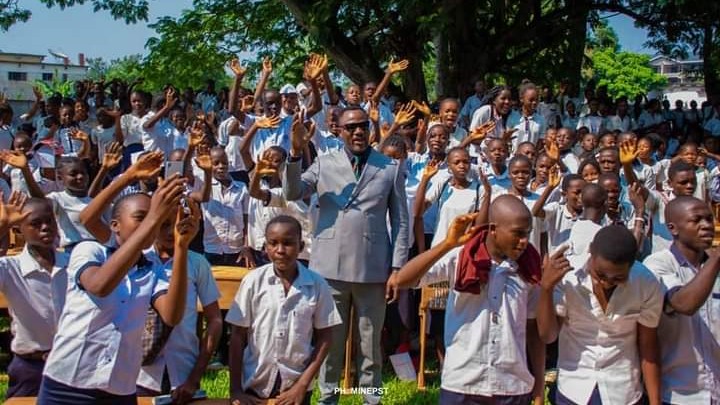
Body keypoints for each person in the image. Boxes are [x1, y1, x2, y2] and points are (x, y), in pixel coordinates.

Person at [284, 107, 409, 404]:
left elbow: (401, 221)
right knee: (330, 344)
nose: (357, 132)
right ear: (339, 131)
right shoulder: (323, 163)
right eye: (350, 127)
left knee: (370, 345)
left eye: (362, 126)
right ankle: (328, 398)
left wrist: (397, 268)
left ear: (370, 129)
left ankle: (372, 399)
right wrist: (295, 153)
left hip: (373, 268)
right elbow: (292, 192)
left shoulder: (388, 167)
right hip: (329, 268)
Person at [37, 176, 196, 404]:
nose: (150, 225)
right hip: (69, 382)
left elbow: (172, 315)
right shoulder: (90, 250)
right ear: (115, 225)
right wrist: (153, 217)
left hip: (119, 386)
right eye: (140, 218)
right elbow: (100, 286)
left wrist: (181, 246)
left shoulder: (151, 269)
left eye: (156, 221)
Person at [387, 197, 545, 405]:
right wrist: (447, 244)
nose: (525, 241)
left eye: (527, 233)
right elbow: (404, 280)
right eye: (518, 233)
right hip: (463, 382)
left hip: (512, 385)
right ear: (493, 229)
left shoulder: (528, 271)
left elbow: (533, 331)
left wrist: (539, 387)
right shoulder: (461, 258)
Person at [537, 225, 663, 405]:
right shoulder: (567, 278)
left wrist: (655, 401)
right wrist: (546, 288)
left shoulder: (647, 284)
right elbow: (547, 335)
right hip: (574, 389)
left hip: (623, 392)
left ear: (632, 265)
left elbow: (648, 345)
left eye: (618, 278)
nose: (606, 283)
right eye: (600, 274)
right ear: (590, 252)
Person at [227, 215, 341, 405]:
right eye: (273, 243)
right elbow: (237, 335)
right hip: (254, 384)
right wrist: (235, 389)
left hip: (296, 387)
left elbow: (325, 337)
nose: (280, 250)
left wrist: (302, 385)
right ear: (265, 247)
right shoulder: (253, 282)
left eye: (288, 243)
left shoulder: (317, 285)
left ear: (301, 246)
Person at [643, 196, 720, 405]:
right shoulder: (658, 264)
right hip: (680, 393)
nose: (706, 226)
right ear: (673, 228)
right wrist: (716, 258)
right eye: (696, 220)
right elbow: (684, 304)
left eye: (709, 219)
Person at [0, 195, 69, 398]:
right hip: (31, 365)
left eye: (49, 221)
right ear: (19, 229)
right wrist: (2, 228)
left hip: (70, 361)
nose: (45, 227)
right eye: (35, 223)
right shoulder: (10, 268)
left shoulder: (73, 263)